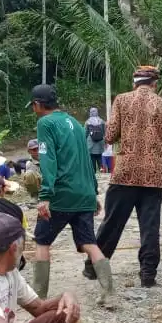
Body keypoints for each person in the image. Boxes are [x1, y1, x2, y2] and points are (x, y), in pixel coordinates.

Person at [85, 65, 162, 288]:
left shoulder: (121, 100)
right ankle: (148, 274)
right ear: (154, 83)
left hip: (125, 174)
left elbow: (109, 136)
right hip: (154, 176)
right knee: (150, 226)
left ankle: (94, 267)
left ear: (135, 82)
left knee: (112, 222)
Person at [28, 84, 116, 304]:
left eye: (33, 106)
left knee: (42, 241)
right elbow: (86, 160)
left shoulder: (45, 123)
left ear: (38, 105)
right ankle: (109, 292)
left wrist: (45, 195)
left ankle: (39, 297)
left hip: (60, 194)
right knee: (89, 243)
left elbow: (48, 160)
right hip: (83, 193)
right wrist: (93, 191)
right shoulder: (76, 124)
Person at [84, 107, 106, 173]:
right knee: (99, 156)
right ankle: (101, 168)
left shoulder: (87, 122)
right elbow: (104, 132)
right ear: (97, 112)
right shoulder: (102, 121)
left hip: (90, 142)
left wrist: (84, 141)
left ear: (90, 113)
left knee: (92, 157)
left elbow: (85, 133)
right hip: (100, 142)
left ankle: (93, 171)